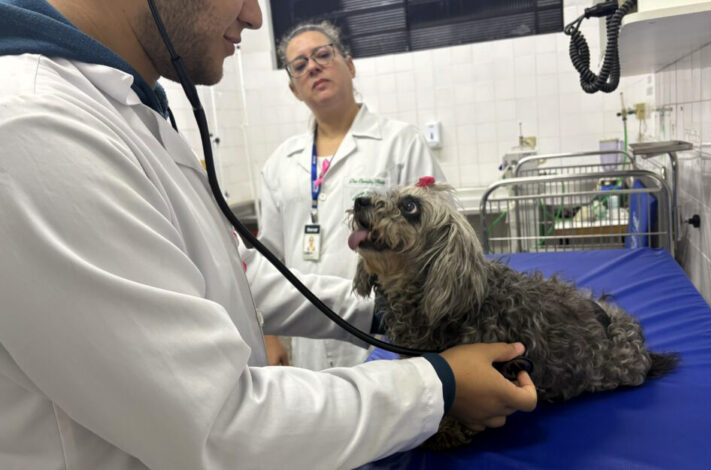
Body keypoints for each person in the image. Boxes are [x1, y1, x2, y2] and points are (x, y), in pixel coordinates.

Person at [0, 1, 537, 469]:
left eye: (322, 55)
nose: (256, 15)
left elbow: (234, 273)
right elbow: (219, 425)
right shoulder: (33, 125)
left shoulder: (128, 108)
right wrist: (438, 386)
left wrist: (384, 312)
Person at [259, 21, 447, 371]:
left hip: (389, 325)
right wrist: (269, 337)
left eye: (322, 54)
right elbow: (268, 256)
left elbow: (439, 239)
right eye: (299, 65)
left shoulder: (401, 143)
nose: (313, 66)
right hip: (308, 337)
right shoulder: (279, 164)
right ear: (294, 89)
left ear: (349, 64)